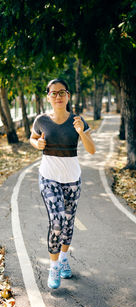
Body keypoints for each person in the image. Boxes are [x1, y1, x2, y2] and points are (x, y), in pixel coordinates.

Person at [30, 78, 95, 289]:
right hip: (48, 176)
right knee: (56, 222)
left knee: (68, 223)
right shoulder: (41, 120)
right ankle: (54, 265)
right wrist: (37, 143)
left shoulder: (77, 120)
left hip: (72, 179)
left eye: (62, 92)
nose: (58, 96)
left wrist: (80, 132)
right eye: (53, 93)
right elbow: (32, 138)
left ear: (68, 96)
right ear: (48, 97)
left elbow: (92, 150)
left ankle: (65, 258)